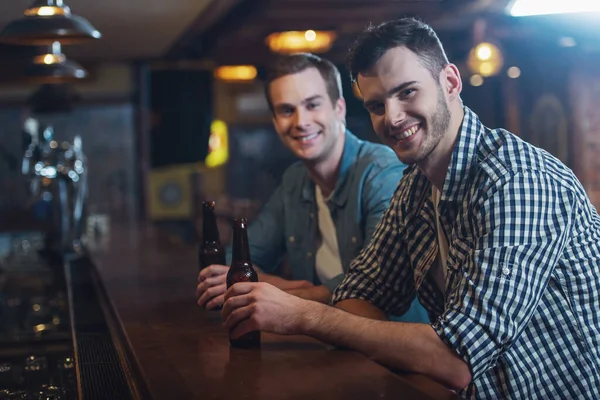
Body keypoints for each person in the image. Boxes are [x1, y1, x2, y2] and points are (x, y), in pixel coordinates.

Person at [219, 18, 600, 399]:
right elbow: (360, 294)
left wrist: (302, 315)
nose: (393, 117)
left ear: (450, 82)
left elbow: (455, 360)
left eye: (407, 92)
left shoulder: (516, 182)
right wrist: (321, 315)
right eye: (376, 105)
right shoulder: (415, 186)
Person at [196, 52, 428, 323]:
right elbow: (235, 262)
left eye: (312, 105)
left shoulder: (382, 173)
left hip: (392, 356)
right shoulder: (295, 180)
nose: (300, 122)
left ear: (338, 108)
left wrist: (281, 292)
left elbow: (376, 285)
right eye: (286, 110)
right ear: (275, 122)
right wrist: (303, 290)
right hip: (326, 348)